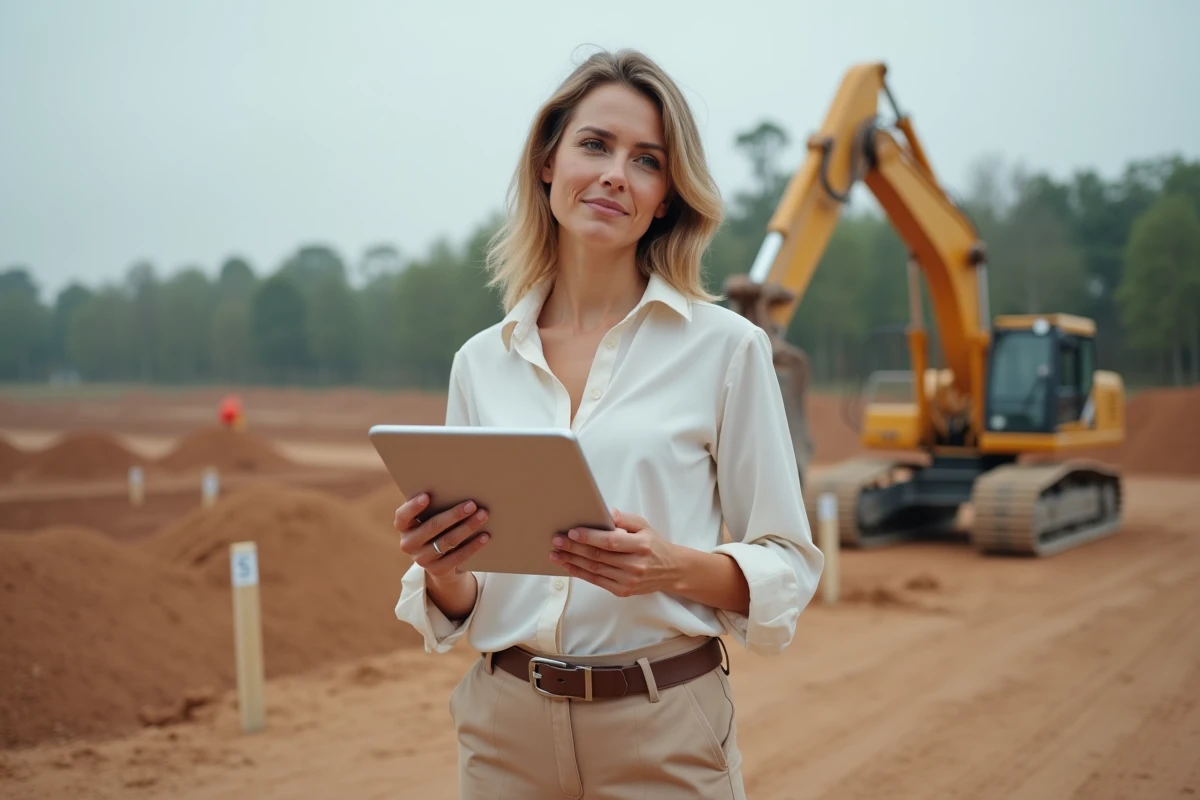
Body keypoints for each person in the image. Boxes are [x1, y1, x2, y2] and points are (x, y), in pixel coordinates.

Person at [393, 48, 824, 799]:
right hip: (504, 732)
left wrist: (671, 567)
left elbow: (787, 561)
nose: (616, 174)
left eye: (647, 160)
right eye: (595, 145)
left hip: (664, 728)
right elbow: (467, 601)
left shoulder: (728, 350)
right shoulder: (480, 363)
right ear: (548, 163)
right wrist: (443, 570)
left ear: (665, 198)